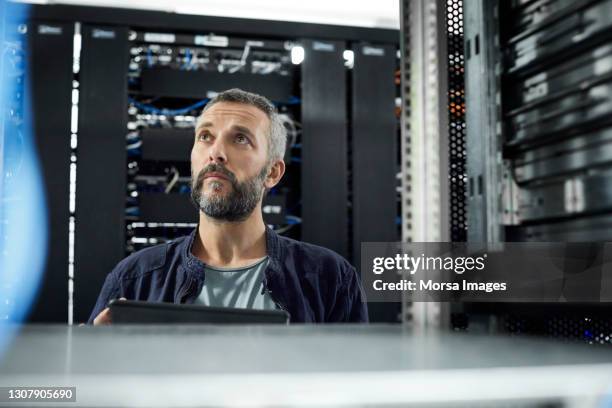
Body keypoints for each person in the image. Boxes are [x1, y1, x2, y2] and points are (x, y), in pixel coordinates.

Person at [89, 88, 368, 324]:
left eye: (240, 139)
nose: (216, 153)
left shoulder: (330, 278)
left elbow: (358, 384)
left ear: (272, 173)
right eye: (205, 137)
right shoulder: (134, 280)